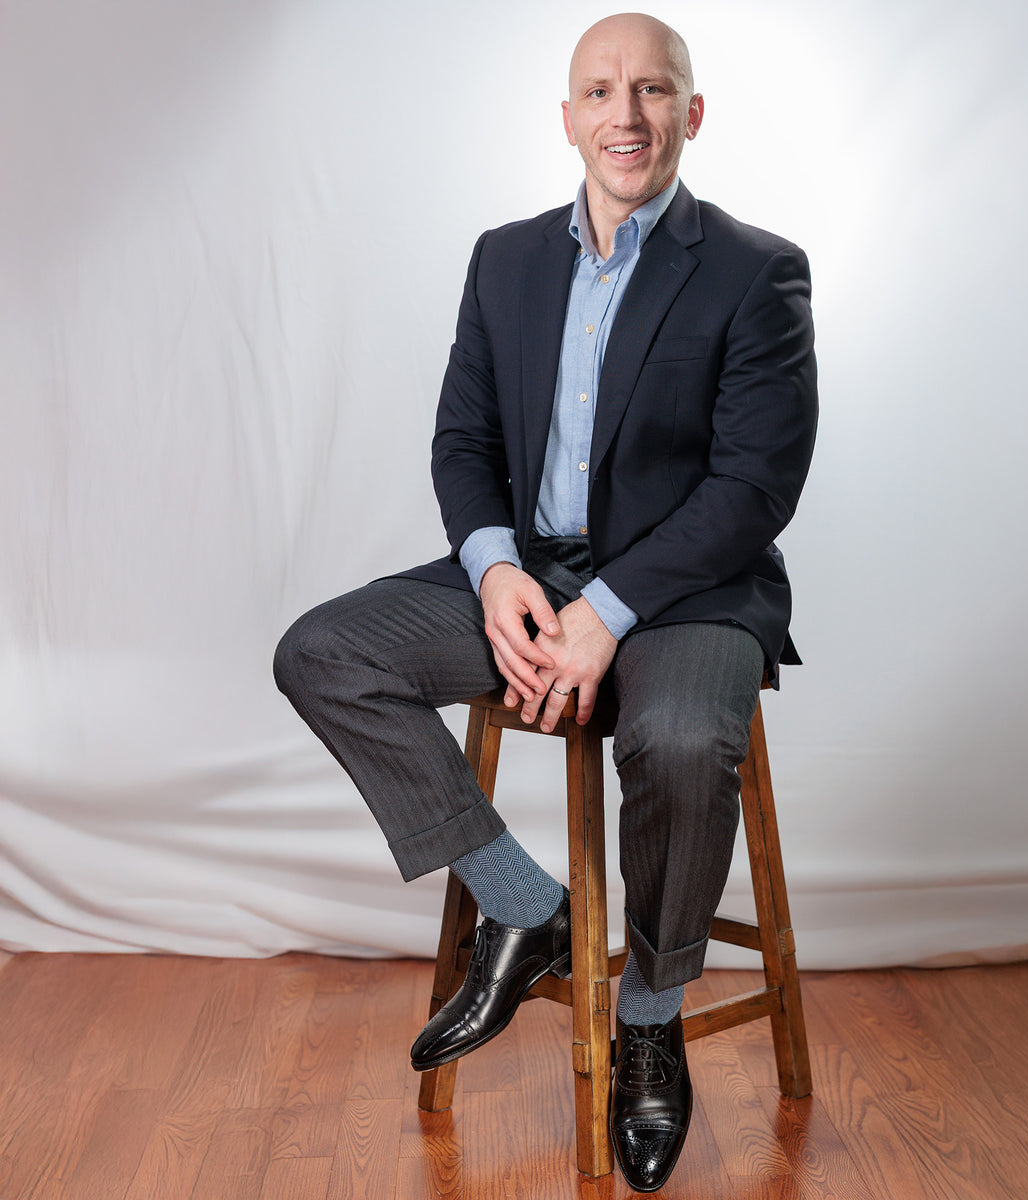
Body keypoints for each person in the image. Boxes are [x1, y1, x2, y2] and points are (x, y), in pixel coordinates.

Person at [274, 11, 817, 1191]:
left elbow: (754, 486)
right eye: (601, 92)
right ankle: (524, 909)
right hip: (530, 575)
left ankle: (652, 1019)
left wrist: (608, 608)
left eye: (654, 91)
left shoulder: (755, 269)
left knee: (676, 739)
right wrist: (498, 569)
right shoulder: (504, 259)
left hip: (688, 591)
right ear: (567, 118)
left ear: (693, 113)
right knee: (323, 652)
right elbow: (463, 441)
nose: (627, 115)